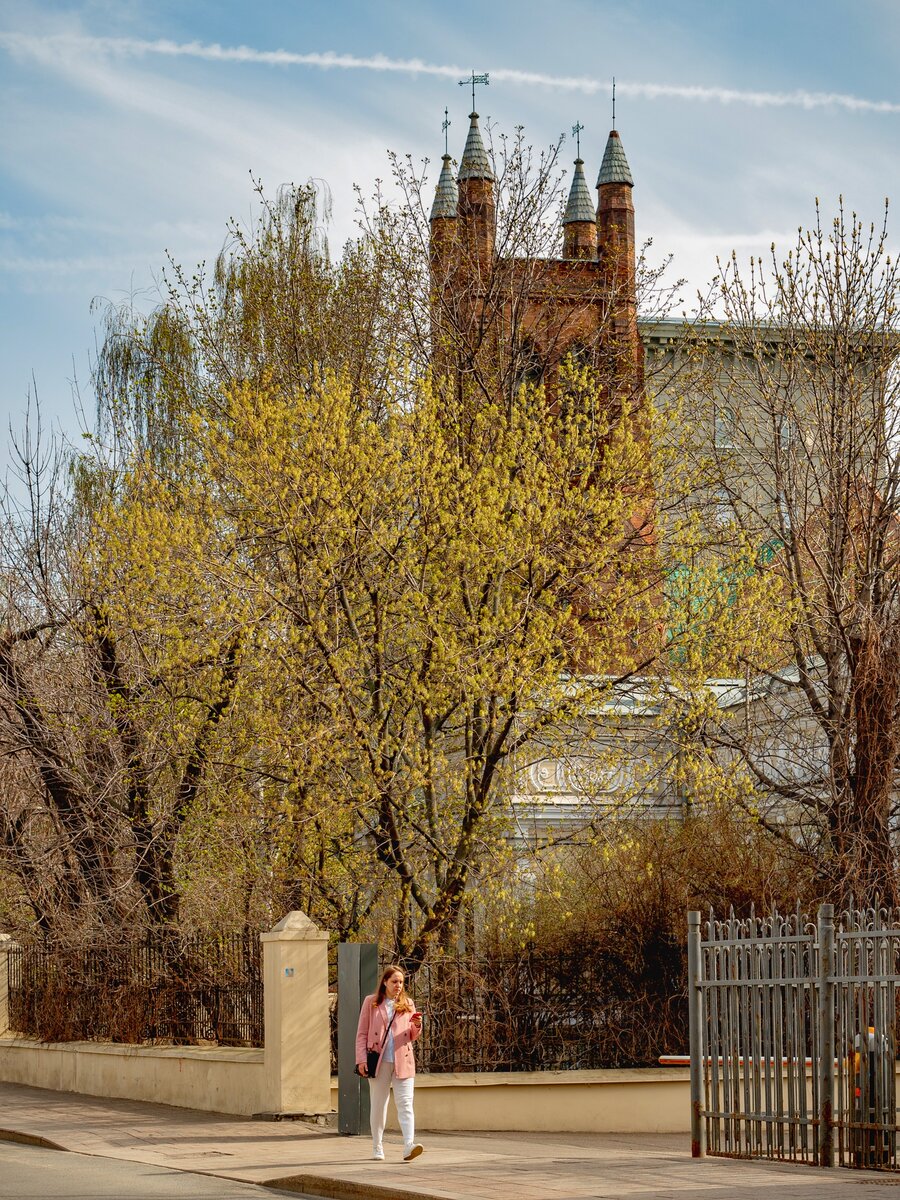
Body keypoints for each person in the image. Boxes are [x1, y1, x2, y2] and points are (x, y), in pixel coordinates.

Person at [356, 964, 423, 1162]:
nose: (398, 985)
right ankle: (377, 1145)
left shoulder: (408, 1003)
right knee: (379, 1104)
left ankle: (409, 1145)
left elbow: (411, 1035)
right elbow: (361, 1033)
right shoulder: (372, 1002)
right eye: (394, 981)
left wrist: (417, 1026)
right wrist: (361, 1059)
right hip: (379, 1061)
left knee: (406, 1103)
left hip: (403, 1060)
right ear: (385, 982)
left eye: (401, 982)